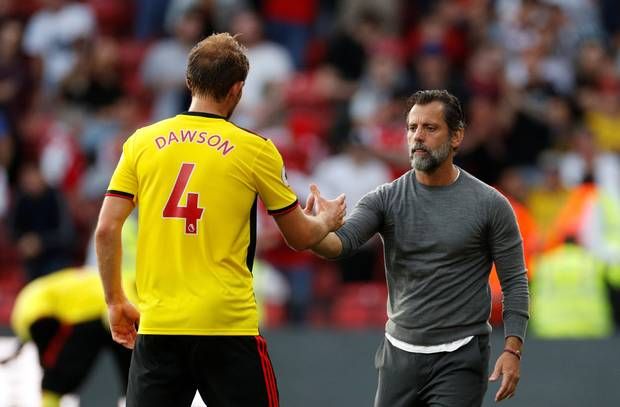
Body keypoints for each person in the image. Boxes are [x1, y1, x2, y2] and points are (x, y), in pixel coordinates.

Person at [95, 32, 345, 407]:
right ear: (237, 89)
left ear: (189, 81)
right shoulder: (255, 149)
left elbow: (105, 229)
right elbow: (298, 236)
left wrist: (115, 301)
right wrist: (326, 220)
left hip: (160, 325)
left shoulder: (141, 143)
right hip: (227, 326)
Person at [307, 89, 530, 406]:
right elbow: (338, 245)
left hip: (460, 355)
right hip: (399, 355)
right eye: (412, 128)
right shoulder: (384, 198)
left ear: (456, 136)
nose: (418, 137)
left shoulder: (490, 204)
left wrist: (512, 349)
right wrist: (316, 227)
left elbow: (515, 282)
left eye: (430, 128)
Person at [7, 267, 135, 407]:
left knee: (54, 375)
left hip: (85, 313)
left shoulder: (30, 300)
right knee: (133, 369)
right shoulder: (127, 286)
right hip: (78, 314)